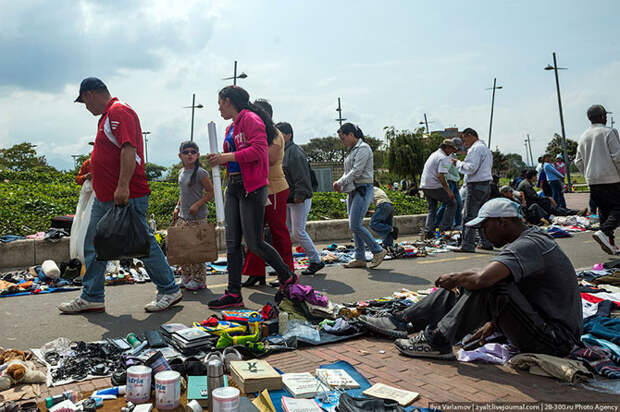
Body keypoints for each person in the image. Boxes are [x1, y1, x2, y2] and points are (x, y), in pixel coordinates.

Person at [359, 197, 582, 359]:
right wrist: (494, 322)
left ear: (502, 222)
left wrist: (456, 277)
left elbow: (484, 279)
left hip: (555, 341)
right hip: (545, 329)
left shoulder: (530, 244)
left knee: (487, 283)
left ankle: (438, 340)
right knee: (473, 279)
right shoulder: (530, 240)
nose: (482, 234)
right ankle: (403, 320)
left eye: (484, 227)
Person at [59, 77, 181, 313]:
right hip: (105, 196)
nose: (86, 108)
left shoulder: (118, 111)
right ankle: (92, 296)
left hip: (126, 194)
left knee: (140, 243)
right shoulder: (107, 116)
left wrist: (123, 186)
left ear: (89, 95)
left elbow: (129, 148)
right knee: (93, 243)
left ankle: (169, 289)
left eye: (85, 102)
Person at [206, 86, 297, 309]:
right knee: (232, 244)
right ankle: (233, 292)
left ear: (228, 101)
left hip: (252, 187)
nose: (218, 107)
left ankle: (287, 276)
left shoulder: (250, 119)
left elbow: (258, 151)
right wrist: (221, 160)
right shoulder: (233, 124)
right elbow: (236, 155)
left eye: (220, 102)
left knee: (255, 242)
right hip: (234, 185)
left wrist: (225, 156)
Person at [241, 100, 294, 287]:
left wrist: (245, 153)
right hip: (258, 188)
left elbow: (269, 159)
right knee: (254, 234)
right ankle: (256, 272)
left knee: (278, 231)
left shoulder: (275, 134)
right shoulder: (256, 132)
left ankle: (286, 271)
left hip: (275, 188)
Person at [333, 123, 388, 269]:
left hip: (363, 189)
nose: (342, 141)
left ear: (351, 134)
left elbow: (357, 171)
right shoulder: (352, 150)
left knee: (355, 224)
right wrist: (341, 183)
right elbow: (348, 171)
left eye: (343, 137)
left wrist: (340, 182)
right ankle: (360, 257)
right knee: (354, 226)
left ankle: (378, 250)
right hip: (353, 190)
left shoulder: (363, 148)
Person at [277, 122, 325, 276]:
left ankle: (316, 260)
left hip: (298, 198)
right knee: (289, 232)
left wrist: (300, 194)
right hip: (290, 198)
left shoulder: (295, 153)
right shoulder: (284, 151)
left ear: (288, 135)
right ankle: (285, 264)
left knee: (298, 232)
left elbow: (301, 176)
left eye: (279, 134)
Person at [575, 104, 620, 255]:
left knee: (604, 212)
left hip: (593, 181)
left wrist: (588, 173)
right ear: (602, 117)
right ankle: (604, 232)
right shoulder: (609, 132)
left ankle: (610, 243)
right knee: (617, 209)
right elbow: (618, 157)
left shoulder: (583, 136)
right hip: (611, 178)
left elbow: (578, 161)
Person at [172, 141, 214, 291]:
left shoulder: (201, 173)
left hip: (197, 217)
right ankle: (186, 276)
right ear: (180, 155)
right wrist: (177, 207)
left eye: (193, 152)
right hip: (183, 217)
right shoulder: (181, 172)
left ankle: (199, 280)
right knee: (183, 249)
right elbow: (182, 194)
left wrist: (197, 204)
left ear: (197, 155)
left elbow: (211, 192)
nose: (189, 154)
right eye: (186, 152)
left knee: (197, 251)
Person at [449, 128, 494, 252]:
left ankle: (467, 245)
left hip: (475, 185)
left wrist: (457, 163)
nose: (464, 144)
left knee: (469, 216)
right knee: (482, 215)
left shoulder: (475, 149)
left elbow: (470, 168)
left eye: (464, 140)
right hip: (485, 185)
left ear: (470, 136)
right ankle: (486, 242)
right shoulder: (485, 149)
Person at [420, 139, 458, 238]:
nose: (452, 152)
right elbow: (440, 176)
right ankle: (445, 229)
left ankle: (428, 231)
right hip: (434, 186)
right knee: (452, 203)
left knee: (432, 208)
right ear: (447, 148)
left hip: (425, 185)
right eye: (452, 149)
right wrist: (449, 191)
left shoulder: (434, 154)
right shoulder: (443, 158)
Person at [517, 169, 582, 224]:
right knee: (552, 208)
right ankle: (574, 212)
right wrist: (548, 198)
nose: (537, 178)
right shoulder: (526, 184)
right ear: (533, 176)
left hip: (531, 203)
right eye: (536, 176)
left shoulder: (526, 183)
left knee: (553, 207)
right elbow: (534, 197)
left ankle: (574, 212)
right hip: (529, 205)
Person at [434, 137, 463, 230]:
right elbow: (443, 172)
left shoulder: (452, 155)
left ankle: (456, 224)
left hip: (453, 181)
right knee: (447, 205)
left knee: (457, 203)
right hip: (449, 181)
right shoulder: (447, 156)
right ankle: (437, 224)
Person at [370, 181, 398, 248]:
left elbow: (366, 202)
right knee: (387, 226)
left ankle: (391, 229)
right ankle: (388, 245)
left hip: (382, 205)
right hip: (390, 205)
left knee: (373, 223)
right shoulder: (380, 190)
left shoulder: (371, 189)